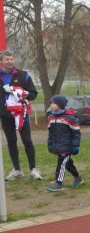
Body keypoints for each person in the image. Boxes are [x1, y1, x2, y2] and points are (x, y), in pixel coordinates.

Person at [0, 51, 42, 180]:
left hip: (21, 114)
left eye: (11, 59)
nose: (10, 62)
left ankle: (33, 169)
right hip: (5, 115)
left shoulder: (23, 75)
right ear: (1, 61)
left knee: (27, 140)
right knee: (11, 141)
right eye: (7, 59)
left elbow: (33, 94)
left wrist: (20, 93)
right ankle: (17, 170)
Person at [46, 95, 82, 192]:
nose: (51, 105)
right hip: (58, 147)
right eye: (51, 103)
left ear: (61, 105)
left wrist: (76, 145)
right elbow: (51, 134)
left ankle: (58, 182)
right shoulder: (50, 118)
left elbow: (76, 133)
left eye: (54, 103)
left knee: (61, 165)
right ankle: (78, 178)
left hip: (67, 148)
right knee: (68, 164)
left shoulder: (70, 118)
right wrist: (50, 145)